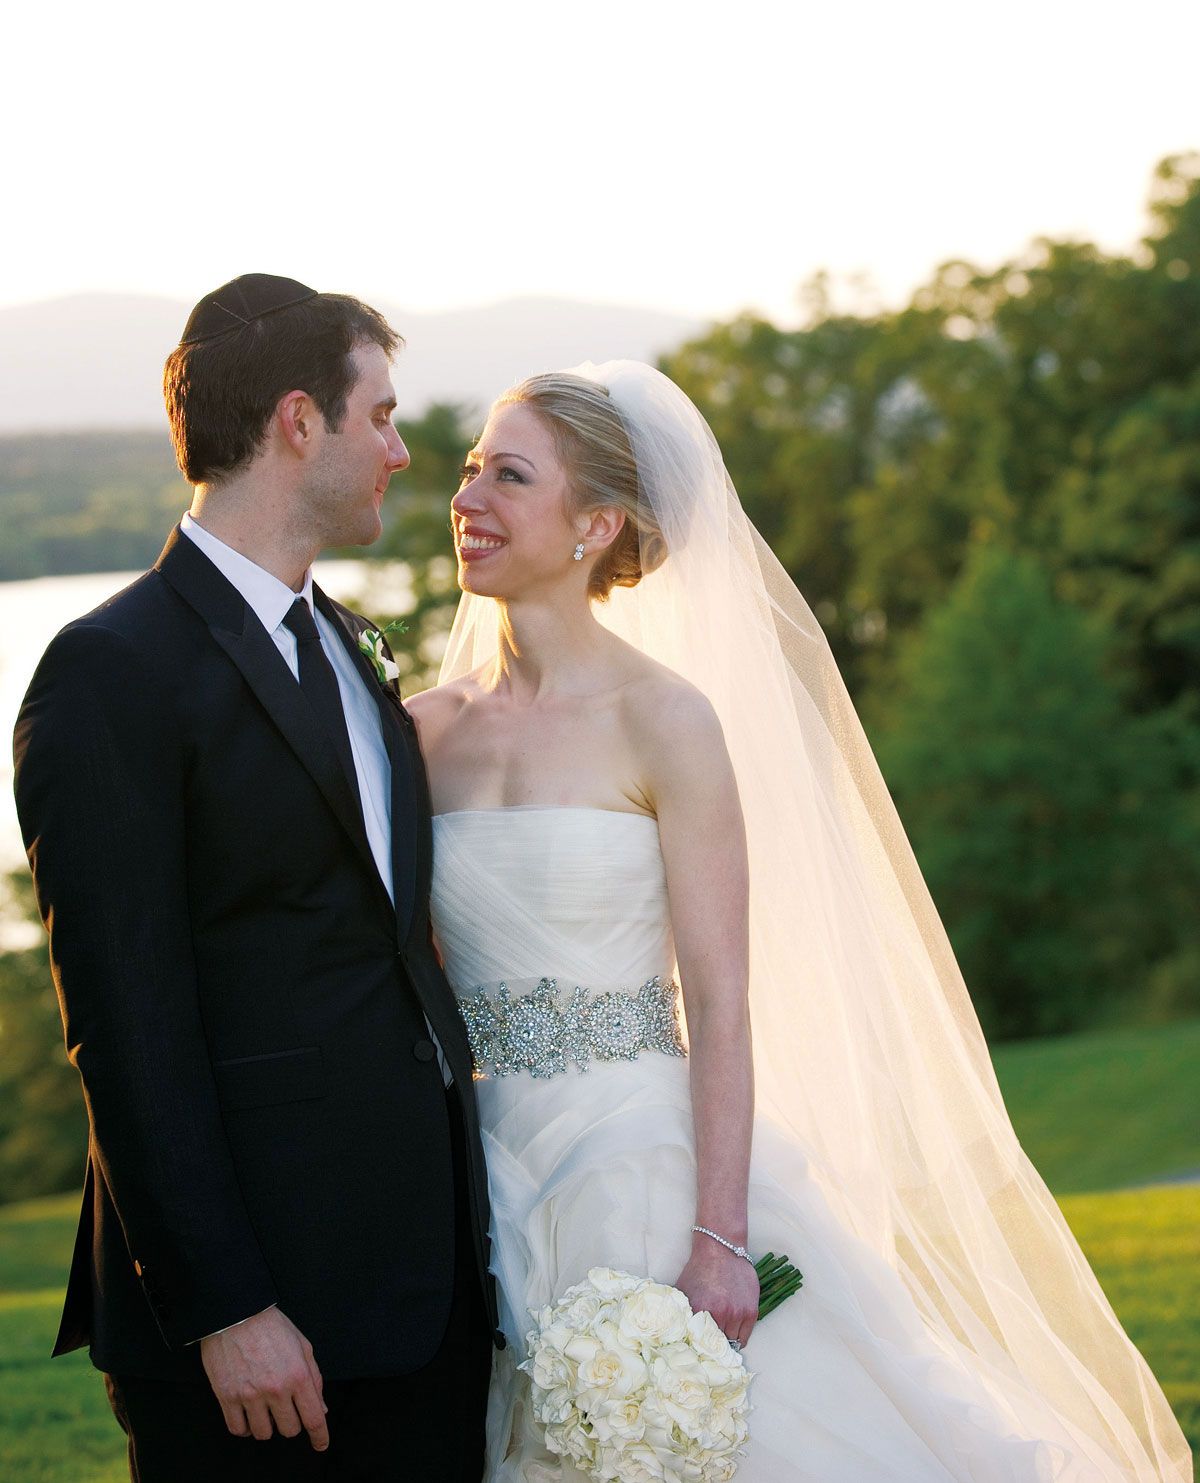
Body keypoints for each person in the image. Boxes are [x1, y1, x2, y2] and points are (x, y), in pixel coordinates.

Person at [405, 361, 1191, 1481]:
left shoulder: (666, 721)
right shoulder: (417, 731)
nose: (468, 497)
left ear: (596, 525)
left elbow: (721, 999)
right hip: (479, 1178)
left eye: (510, 476)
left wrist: (720, 1238)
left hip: (641, 1164)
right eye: (473, 468)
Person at [12, 274, 498, 1482]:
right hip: (258, 1330)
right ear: (298, 420)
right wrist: (224, 1307)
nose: (399, 450)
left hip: (426, 1296)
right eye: (378, 416)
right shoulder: (109, 671)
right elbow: (123, 1024)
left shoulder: (342, 642)